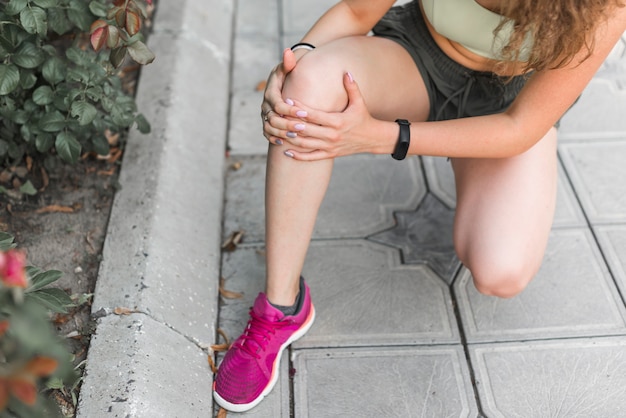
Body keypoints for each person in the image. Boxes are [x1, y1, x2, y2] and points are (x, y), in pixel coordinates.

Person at [213, 0, 626, 412]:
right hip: (420, 56)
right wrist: (294, 63)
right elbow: (358, 12)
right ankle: (281, 307)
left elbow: (519, 128)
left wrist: (379, 137)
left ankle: (479, 156)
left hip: (512, 107)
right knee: (307, 89)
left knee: (501, 270)